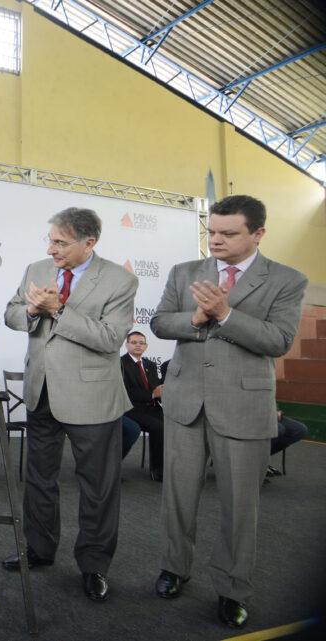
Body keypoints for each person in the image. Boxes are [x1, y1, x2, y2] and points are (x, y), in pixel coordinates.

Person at [152, 194, 307, 629]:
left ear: (257, 234)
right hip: (184, 402)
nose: (215, 240)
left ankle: (233, 589)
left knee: (240, 508)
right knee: (176, 499)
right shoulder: (184, 272)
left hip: (244, 405)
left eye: (228, 233)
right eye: (211, 232)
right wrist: (196, 320)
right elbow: (161, 322)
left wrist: (225, 314)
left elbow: (278, 341)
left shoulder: (287, 280)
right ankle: (174, 569)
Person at [1, 207, 137, 603]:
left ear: (89, 243)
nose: (51, 248)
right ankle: (40, 551)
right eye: (50, 240)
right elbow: (11, 313)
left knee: (97, 486)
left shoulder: (120, 279)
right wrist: (29, 310)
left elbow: (111, 338)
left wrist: (57, 310)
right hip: (40, 390)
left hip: (92, 397)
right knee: (39, 479)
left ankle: (93, 565)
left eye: (60, 242)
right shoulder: (36, 268)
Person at [120, 331, 166, 481]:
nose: (138, 345)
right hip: (132, 409)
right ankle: (158, 470)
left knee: (174, 423)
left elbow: (156, 387)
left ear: (146, 346)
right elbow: (126, 392)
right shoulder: (120, 364)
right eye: (134, 342)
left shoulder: (150, 365)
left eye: (141, 343)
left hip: (152, 408)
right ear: (127, 345)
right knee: (159, 427)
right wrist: (153, 394)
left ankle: (171, 465)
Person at [267, 408, 307, 478]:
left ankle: (261, 460)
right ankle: (253, 464)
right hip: (250, 415)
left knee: (299, 430)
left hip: (269, 413)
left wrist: (277, 411)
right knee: (279, 429)